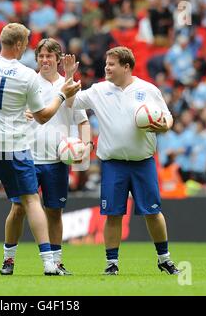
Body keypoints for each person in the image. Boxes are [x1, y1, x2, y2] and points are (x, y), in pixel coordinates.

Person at [0, 23, 81, 276]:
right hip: (15, 148)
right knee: (32, 202)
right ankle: (48, 263)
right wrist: (62, 95)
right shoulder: (26, 76)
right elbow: (43, 116)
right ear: (20, 45)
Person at [67, 46, 180, 275]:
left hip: (143, 161)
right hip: (113, 162)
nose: (106, 68)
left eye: (112, 64)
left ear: (126, 67)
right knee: (113, 213)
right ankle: (112, 264)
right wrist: (69, 77)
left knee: (152, 211)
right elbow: (71, 103)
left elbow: (167, 118)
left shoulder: (148, 89)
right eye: (106, 64)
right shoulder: (99, 90)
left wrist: (164, 125)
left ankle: (164, 258)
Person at [0, 38, 91, 276]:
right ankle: (8, 260)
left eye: (49, 56)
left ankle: (56, 262)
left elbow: (82, 120)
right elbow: (9, 115)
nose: (45, 60)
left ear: (58, 59)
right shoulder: (27, 81)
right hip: (26, 157)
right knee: (17, 209)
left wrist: (86, 148)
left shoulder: (68, 85)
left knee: (54, 212)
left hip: (57, 160)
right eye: (41, 56)